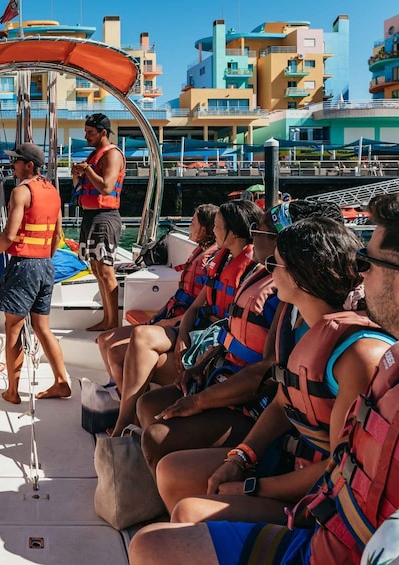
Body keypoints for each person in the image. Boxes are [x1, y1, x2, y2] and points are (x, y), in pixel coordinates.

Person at [127, 195, 399, 565]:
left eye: (366, 262)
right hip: (325, 529)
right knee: (152, 544)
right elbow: (290, 403)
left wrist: (253, 485)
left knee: (165, 534)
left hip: (335, 542)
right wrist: (241, 458)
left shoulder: (373, 358)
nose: (359, 275)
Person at [135, 201, 345, 477]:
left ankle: (179, 480)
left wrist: (200, 401)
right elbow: (231, 333)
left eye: (261, 230)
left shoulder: (292, 299)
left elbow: (267, 372)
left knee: (158, 435)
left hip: (255, 406)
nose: (253, 234)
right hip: (225, 375)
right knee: (149, 405)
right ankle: (172, 479)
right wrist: (199, 366)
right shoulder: (268, 283)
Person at [109, 200, 262, 436]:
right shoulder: (222, 262)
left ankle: (125, 424)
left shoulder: (252, 272)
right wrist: (181, 337)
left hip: (213, 342)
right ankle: (127, 421)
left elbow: (233, 328)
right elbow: (194, 308)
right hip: (196, 331)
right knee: (134, 339)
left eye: (218, 226)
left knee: (132, 346)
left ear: (232, 231)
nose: (214, 231)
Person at [0, 142, 70, 404]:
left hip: (23, 265)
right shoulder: (53, 191)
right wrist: (44, 258)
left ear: (28, 165)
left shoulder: (21, 192)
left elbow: (9, 236)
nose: (12, 167)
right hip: (45, 265)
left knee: (13, 329)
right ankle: (61, 382)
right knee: (43, 327)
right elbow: (57, 235)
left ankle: (12, 391)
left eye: (15, 162)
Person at [96, 203, 218, 387]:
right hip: (170, 318)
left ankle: (130, 404)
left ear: (205, 228)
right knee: (104, 339)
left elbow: (201, 308)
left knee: (115, 351)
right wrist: (158, 317)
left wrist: (166, 322)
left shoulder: (211, 262)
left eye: (193, 222)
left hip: (183, 326)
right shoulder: (200, 254)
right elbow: (179, 296)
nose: (189, 227)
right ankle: (119, 392)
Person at [71, 113, 126, 331]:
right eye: (85, 132)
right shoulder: (94, 156)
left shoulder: (111, 155)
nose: (86, 136)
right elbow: (84, 186)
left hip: (105, 217)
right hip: (91, 216)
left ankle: (113, 323)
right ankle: (106, 319)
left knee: (105, 270)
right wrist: (78, 174)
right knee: (95, 268)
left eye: (90, 133)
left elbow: (106, 187)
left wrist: (88, 170)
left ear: (103, 133)